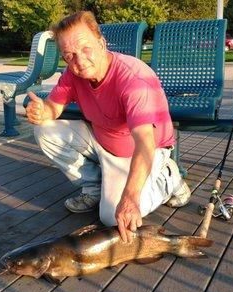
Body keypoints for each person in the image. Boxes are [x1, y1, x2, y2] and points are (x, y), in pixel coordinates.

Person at [25, 11, 191, 243]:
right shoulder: (73, 74)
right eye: (69, 55)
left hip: (143, 151)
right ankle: (94, 188)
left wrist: (130, 198)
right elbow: (54, 107)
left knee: (111, 218)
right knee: (45, 130)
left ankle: (167, 178)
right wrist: (43, 111)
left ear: (102, 44)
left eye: (85, 49)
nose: (79, 61)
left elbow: (145, 143)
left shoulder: (134, 79)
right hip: (103, 140)